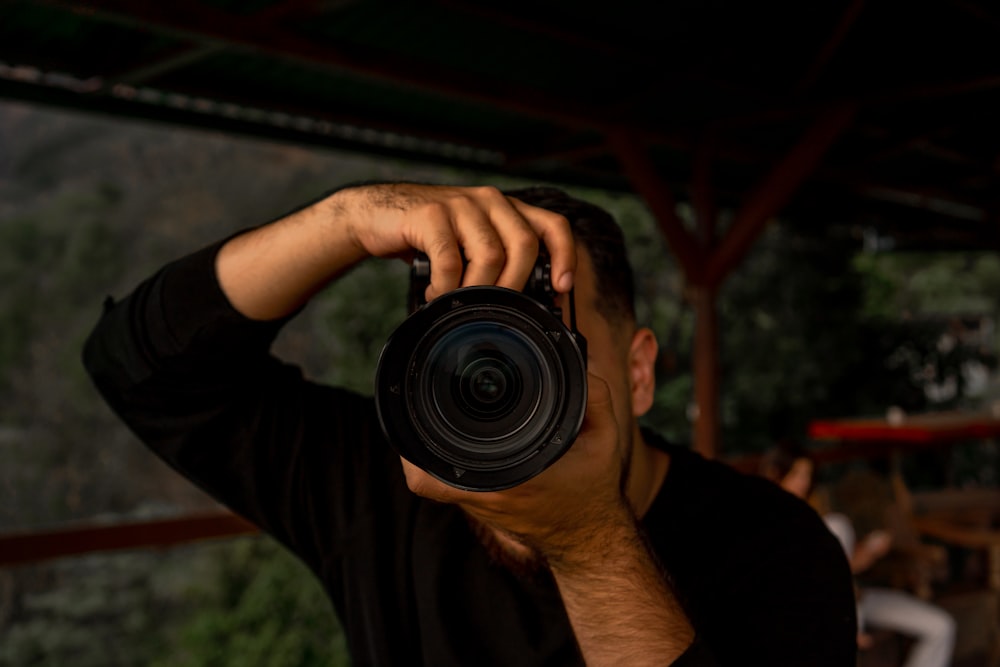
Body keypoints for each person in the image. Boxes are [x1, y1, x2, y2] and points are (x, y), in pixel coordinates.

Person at [83, 183, 857, 666]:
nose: (505, 389)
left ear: (639, 371)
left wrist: (588, 542)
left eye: (544, 343)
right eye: (469, 343)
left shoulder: (776, 548)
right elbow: (140, 368)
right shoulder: (376, 486)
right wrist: (345, 219)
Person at [761, 443, 956, 667]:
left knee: (941, 627)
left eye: (807, 474)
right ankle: (846, 624)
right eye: (796, 474)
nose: (803, 482)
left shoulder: (814, 510)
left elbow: (845, 567)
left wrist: (870, 551)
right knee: (838, 526)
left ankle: (849, 619)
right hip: (819, 612)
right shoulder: (769, 521)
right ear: (775, 474)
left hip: (858, 599)